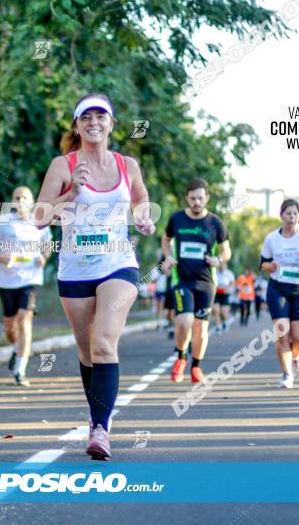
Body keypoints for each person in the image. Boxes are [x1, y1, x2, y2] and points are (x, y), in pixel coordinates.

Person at [34, 93, 155, 461]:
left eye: (101, 116)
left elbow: (141, 201)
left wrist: (145, 218)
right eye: (85, 117)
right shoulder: (62, 165)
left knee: (104, 344)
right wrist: (71, 190)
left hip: (118, 264)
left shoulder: (126, 164)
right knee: (87, 352)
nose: (94, 122)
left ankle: (102, 429)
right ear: (76, 126)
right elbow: (39, 217)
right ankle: (95, 419)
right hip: (75, 268)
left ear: (111, 124)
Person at [161, 179, 231, 383]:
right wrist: (168, 255)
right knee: (184, 320)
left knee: (200, 327)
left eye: (200, 198)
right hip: (182, 279)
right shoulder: (177, 219)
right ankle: (181, 357)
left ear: (207, 198)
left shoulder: (215, 223)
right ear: (187, 198)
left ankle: (196, 367)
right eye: (193, 198)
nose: (197, 202)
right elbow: (165, 239)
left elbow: (227, 250)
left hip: (206, 282)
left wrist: (218, 259)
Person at [0, 186, 53, 385]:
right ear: (12, 201)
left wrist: (44, 257)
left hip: (30, 279)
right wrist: (2, 258)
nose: (21, 200)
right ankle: (15, 349)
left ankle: (20, 370)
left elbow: (48, 244)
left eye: (25, 197)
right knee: (9, 326)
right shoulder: (3, 222)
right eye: (17, 197)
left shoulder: (40, 222)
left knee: (25, 320)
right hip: (8, 280)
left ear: (31, 201)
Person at [260, 200, 299, 389]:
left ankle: (296, 356)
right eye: (288, 214)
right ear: (281, 216)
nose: (292, 217)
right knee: (282, 336)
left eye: (295, 213)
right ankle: (287, 374)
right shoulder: (272, 239)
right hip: (278, 289)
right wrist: (270, 266)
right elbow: (262, 264)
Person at [212, 263, 235, 334]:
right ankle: (218, 327)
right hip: (216, 294)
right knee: (216, 311)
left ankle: (225, 322)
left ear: (226, 266)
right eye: (220, 265)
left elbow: (232, 283)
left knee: (223, 313)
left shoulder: (229, 273)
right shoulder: (214, 272)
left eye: (223, 265)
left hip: (225, 294)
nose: (221, 266)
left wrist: (228, 288)